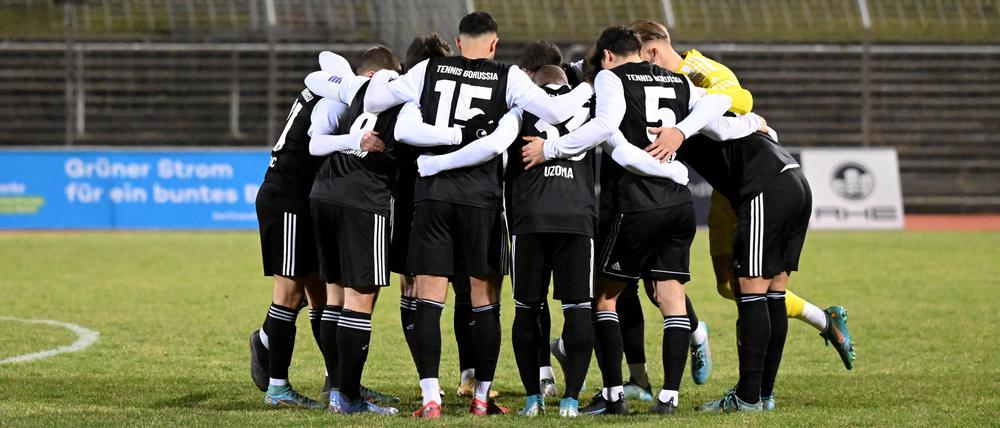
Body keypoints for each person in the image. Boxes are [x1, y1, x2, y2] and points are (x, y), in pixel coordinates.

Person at [364, 11, 595, 418]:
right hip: (480, 200)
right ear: (494, 44)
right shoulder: (510, 78)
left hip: (432, 198)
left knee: (429, 297)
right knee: (484, 300)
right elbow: (556, 114)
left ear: (456, 42)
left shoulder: (429, 70)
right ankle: (480, 399)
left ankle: (431, 399)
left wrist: (430, 129)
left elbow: (375, 101)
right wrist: (593, 87)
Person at [521, 26, 754, 415]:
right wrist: (751, 124)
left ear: (609, 57)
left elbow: (605, 128)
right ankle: (669, 398)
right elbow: (717, 110)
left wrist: (552, 148)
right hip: (679, 207)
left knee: (603, 297)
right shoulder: (676, 81)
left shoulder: (611, 78)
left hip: (635, 202)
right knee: (670, 297)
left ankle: (614, 396)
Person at [630, 18, 854, 384]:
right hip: (730, 186)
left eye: (635, 57)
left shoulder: (695, 69)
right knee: (729, 286)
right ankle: (818, 321)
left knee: (753, 286)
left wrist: (731, 122)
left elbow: (740, 100)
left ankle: (755, 391)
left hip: (755, 180)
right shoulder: (647, 84)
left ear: (652, 51)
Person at [248, 53, 347, 409]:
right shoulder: (335, 100)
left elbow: (326, 58)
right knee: (289, 295)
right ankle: (277, 388)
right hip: (287, 199)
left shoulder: (324, 88)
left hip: (301, 201)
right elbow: (314, 145)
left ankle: (339, 384)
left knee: (318, 293)